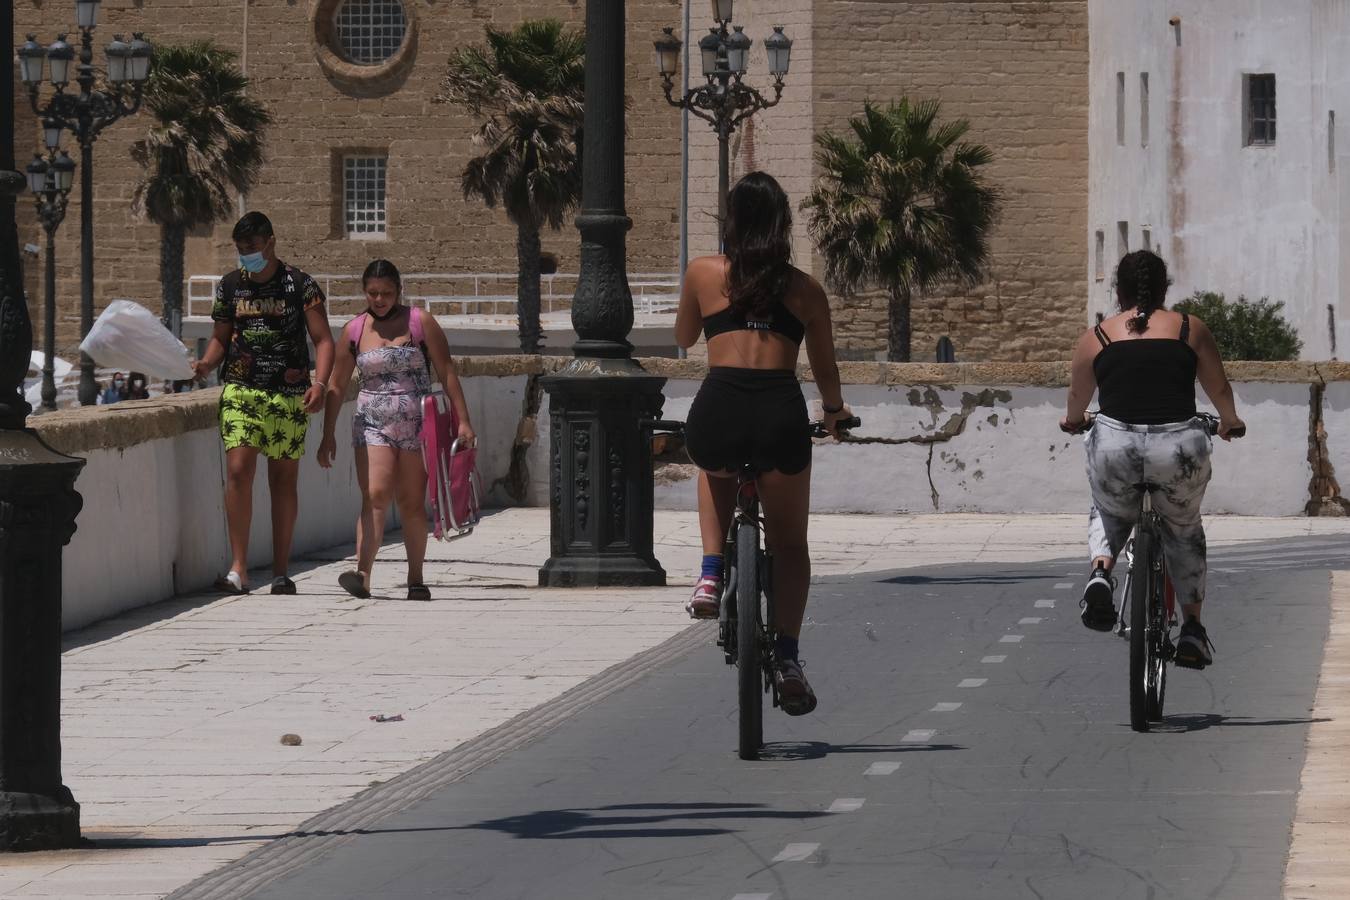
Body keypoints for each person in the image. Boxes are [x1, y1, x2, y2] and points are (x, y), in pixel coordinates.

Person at [674, 171, 851, 716]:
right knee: (791, 544)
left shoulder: (704, 272)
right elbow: (824, 370)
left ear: (731, 222)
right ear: (783, 226)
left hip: (721, 404)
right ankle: (791, 658)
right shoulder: (805, 289)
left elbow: (682, 339)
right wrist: (837, 415)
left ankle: (708, 575)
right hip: (779, 412)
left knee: (712, 463)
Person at [1061, 249, 1245, 669]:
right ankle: (1193, 630)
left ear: (1118, 289)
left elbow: (1077, 402)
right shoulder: (1188, 328)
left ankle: (1100, 574)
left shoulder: (1097, 336)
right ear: (1164, 288)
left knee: (1108, 512)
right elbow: (1219, 389)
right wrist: (1230, 421)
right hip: (1177, 449)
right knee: (1184, 530)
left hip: (1115, 446)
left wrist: (1073, 421)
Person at [194, 211, 335, 595]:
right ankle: (238, 568)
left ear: (270, 242)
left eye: (252, 248)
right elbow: (221, 337)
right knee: (239, 470)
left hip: (288, 394)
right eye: (241, 250)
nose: (246, 256)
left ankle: (281, 570)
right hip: (241, 389)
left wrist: (320, 384)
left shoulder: (300, 285)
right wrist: (206, 363)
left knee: (283, 479)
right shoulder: (229, 286)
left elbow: (323, 340)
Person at [317, 259, 475, 602]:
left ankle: (415, 576)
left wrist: (463, 419)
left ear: (398, 291)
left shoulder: (421, 323)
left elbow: (446, 371)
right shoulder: (355, 330)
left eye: (386, 293)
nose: (379, 299)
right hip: (372, 421)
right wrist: (327, 433)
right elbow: (338, 383)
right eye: (373, 293)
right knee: (374, 495)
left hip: (418, 423)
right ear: (364, 292)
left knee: (410, 502)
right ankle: (363, 573)